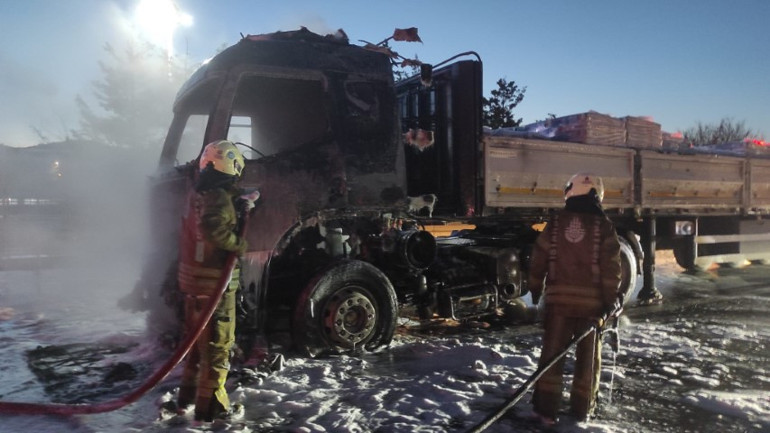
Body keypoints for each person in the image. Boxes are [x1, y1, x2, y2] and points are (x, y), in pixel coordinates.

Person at [528, 172, 624, 425]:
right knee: (588, 361)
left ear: (571, 192)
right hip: (591, 308)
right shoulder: (603, 227)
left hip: (558, 304)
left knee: (551, 358)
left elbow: (538, 259)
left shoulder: (556, 224)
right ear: (597, 195)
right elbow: (611, 269)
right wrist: (610, 301)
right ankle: (582, 410)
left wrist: (536, 289)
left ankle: (546, 411)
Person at [175, 139, 257, 421]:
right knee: (219, 347)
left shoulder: (200, 192)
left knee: (197, 346)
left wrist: (241, 202)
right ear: (232, 165)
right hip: (215, 287)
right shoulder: (219, 199)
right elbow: (214, 229)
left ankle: (187, 396)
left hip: (194, 284)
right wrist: (239, 243)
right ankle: (212, 407)